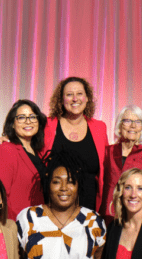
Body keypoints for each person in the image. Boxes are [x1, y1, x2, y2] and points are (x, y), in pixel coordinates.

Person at [43, 76, 109, 211]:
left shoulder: (99, 127)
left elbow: (107, 165)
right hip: (54, 206)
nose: (75, 99)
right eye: (69, 94)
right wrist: (8, 138)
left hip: (89, 207)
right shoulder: (47, 125)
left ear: (87, 98)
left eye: (79, 94)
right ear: (61, 100)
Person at [0, 99, 46, 219]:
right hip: (15, 224)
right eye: (21, 117)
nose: (28, 121)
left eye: (32, 117)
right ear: (12, 124)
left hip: (37, 224)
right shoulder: (5, 150)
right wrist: (10, 228)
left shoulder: (38, 152)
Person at [98, 106, 142, 224]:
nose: (133, 126)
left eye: (138, 122)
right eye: (127, 121)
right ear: (119, 126)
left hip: (135, 214)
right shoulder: (107, 151)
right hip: (108, 213)